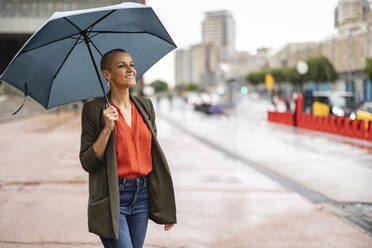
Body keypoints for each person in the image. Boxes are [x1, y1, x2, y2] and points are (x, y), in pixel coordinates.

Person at [79, 48, 177, 248]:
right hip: (112, 195)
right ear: (107, 74)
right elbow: (87, 162)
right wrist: (106, 129)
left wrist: (165, 205)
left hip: (142, 195)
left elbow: (152, 157)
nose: (130, 70)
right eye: (121, 66)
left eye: (131, 64)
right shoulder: (94, 110)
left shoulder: (146, 106)